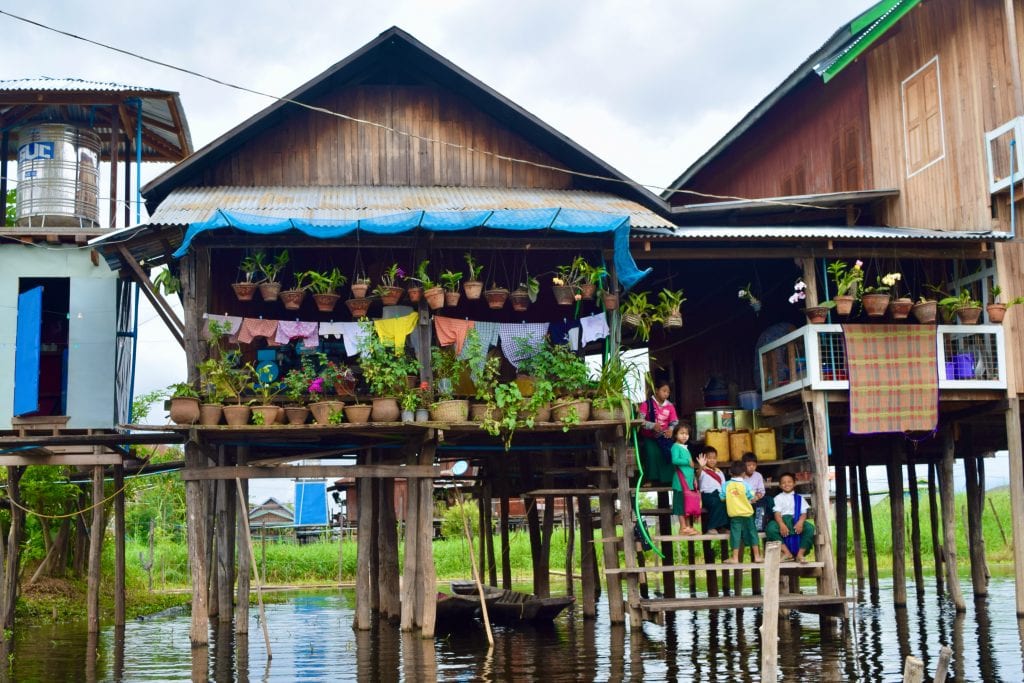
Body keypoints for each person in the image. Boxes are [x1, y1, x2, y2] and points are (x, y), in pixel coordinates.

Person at [766, 472, 816, 563]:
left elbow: (803, 513)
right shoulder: (778, 498)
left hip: (796, 520)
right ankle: (787, 553)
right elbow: (777, 513)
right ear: (780, 486)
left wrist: (800, 523)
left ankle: (800, 555)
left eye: (789, 482)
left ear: (794, 483)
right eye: (783, 483)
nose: (786, 484)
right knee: (770, 528)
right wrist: (781, 525)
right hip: (782, 520)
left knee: (809, 528)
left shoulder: (799, 498)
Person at [637, 379, 678, 485]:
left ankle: (669, 480)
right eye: (664, 391)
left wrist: (671, 430)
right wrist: (652, 426)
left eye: (668, 392)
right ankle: (650, 480)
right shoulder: (646, 404)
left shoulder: (670, 406)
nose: (666, 394)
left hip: (664, 436)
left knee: (670, 452)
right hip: (649, 437)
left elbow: (674, 421)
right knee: (651, 453)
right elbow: (639, 421)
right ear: (656, 390)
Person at [721, 460, 762, 564]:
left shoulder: (726, 485)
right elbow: (751, 497)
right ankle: (757, 556)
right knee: (753, 533)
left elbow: (722, 498)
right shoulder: (746, 485)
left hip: (735, 515)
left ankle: (735, 558)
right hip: (747, 514)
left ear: (731, 473)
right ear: (744, 474)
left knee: (735, 535)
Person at [670, 422, 699, 535]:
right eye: (681, 433)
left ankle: (687, 527)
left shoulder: (684, 447)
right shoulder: (675, 447)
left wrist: (694, 478)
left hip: (688, 482)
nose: (684, 436)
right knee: (681, 505)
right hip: (680, 482)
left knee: (687, 505)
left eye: (686, 434)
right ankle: (683, 527)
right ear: (675, 434)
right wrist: (688, 461)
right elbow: (674, 460)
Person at [697, 445, 728, 534]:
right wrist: (700, 466)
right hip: (707, 496)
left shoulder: (719, 472)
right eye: (709, 458)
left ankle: (721, 527)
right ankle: (711, 527)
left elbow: (724, 485)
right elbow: (698, 476)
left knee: (726, 502)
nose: (712, 460)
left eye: (714, 458)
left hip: (719, 494)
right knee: (716, 502)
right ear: (704, 459)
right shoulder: (702, 471)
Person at [742, 452, 770, 531]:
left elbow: (761, 490)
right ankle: (745, 527)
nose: (751, 467)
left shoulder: (758, 475)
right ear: (743, 465)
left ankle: (759, 525)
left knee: (763, 503)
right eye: (749, 465)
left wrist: (757, 497)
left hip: (756, 498)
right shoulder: (741, 476)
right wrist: (747, 499)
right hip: (744, 500)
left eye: (754, 465)